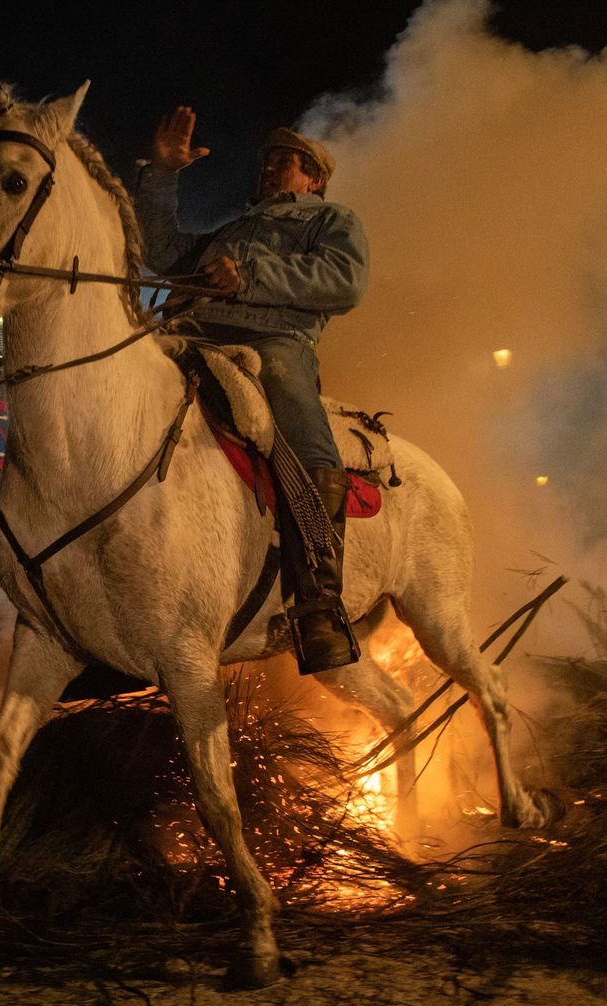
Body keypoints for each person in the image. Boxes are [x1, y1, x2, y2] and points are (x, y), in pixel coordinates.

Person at [135, 108, 369, 674]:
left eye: (283, 160)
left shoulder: (330, 220)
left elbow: (344, 282)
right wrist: (164, 176)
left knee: (298, 415)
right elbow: (161, 253)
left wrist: (251, 274)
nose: (269, 167)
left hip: (274, 340)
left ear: (313, 177)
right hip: (191, 332)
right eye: (266, 160)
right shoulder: (230, 230)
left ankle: (318, 604)